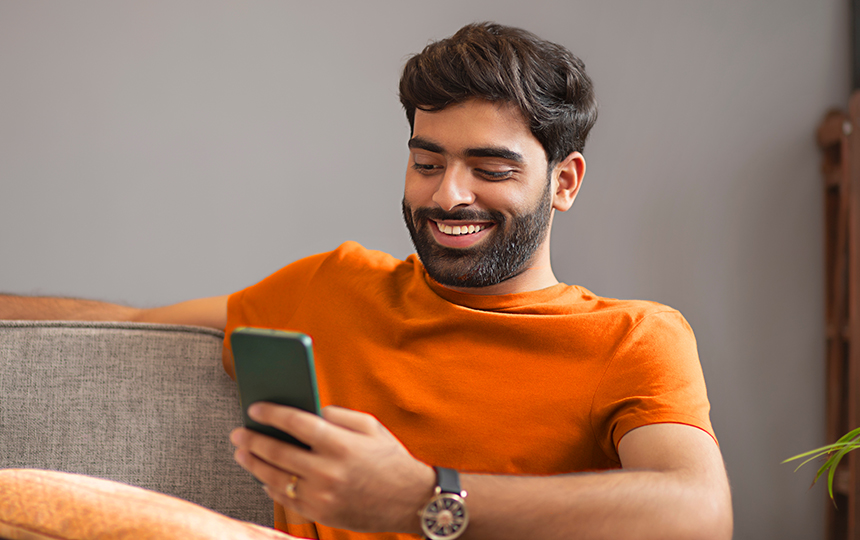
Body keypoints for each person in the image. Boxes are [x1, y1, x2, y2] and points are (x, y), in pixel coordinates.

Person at [0, 22, 732, 540]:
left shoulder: (634, 336)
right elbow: (124, 324)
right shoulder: (335, 287)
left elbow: (698, 513)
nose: (448, 195)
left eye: (492, 168)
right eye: (427, 161)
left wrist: (421, 497)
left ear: (563, 182)